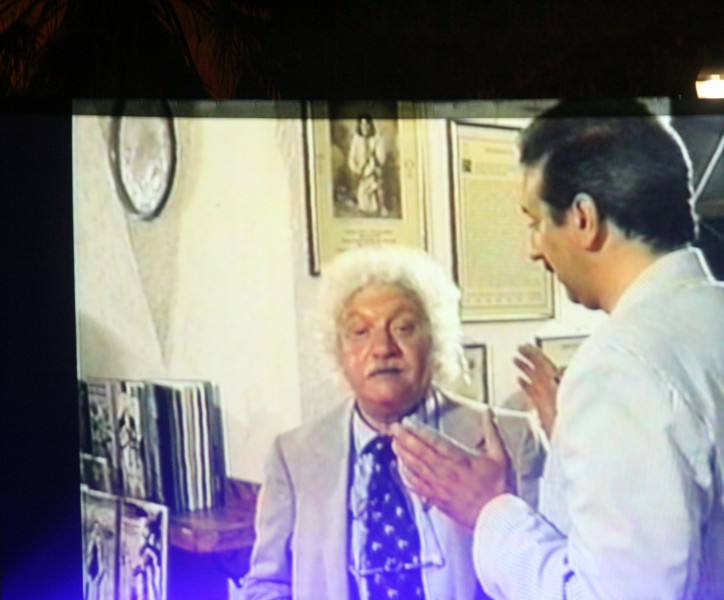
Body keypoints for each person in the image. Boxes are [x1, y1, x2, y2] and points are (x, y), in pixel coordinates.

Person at [392, 99, 724, 600]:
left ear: (584, 219)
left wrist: (489, 510)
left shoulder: (619, 367)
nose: (533, 248)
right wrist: (569, 442)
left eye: (535, 222)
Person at [242, 245, 542, 600]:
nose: (383, 348)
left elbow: (545, 577)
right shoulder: (294, 456)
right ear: (337, 351)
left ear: (435, 340)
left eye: (403, 327)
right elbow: (267, 584)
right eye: (360, 331)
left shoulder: (511, 438)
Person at [348, 114, 388, 215]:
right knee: (362, 196)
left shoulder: (376, 139)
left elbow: (381, 159)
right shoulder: (356, 139)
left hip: (373, 173)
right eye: (362, 125)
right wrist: (356, 169)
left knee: (374, 192)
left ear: (370, 125)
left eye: (367, 124)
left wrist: (373, 160)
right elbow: (351, 158)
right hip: (361, 174)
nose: (364, 127)